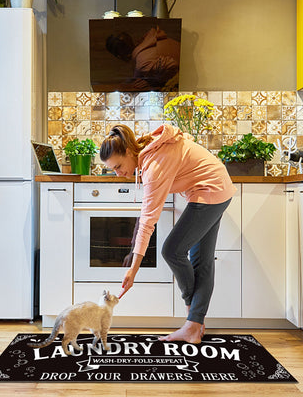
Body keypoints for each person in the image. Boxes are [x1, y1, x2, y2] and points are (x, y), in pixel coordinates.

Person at [99, 123, 236, 344]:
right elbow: (144, 217)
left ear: (127, 152)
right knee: (201, 260)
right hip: (213, 188)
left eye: (118, 166)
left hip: (211, 189)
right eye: (112, 169)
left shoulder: (154, 166)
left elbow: (147, 222)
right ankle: (194, 325)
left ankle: (192, 320)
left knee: (172, 250)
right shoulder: (147, 151)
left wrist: (133, 270)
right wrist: (134, 254)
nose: (118, 173)